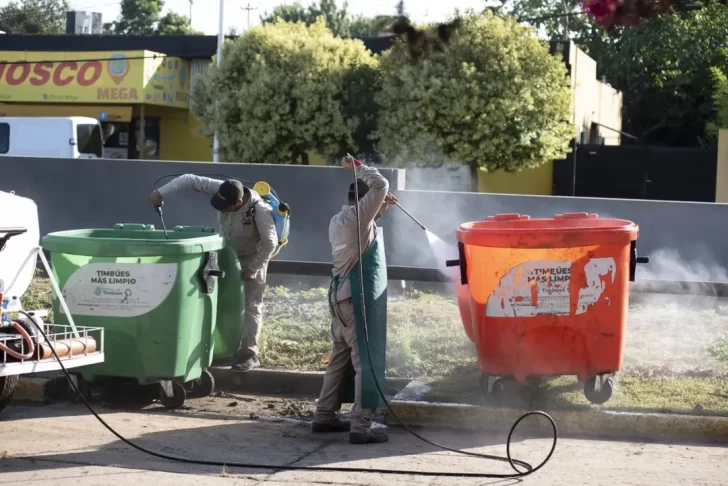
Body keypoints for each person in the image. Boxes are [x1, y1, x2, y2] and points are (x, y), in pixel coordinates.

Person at [148, 175, 278, 373]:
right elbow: (190, 179)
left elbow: (270, 243)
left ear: (238, 202)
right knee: (218, 300)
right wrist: (161, 193)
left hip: (251, 259)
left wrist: (253, 267)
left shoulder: (259, 210)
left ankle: (249, 353)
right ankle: (220, 348)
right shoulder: (226, 189)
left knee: (251, 307)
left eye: (225, 207)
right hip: (225, 253)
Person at [311, 155, 397, 445]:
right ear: (363, 201)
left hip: (337, 297)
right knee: (365, 362)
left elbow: (364, 227)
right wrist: (359, 168)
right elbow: (381, 183)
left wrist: (381, 207)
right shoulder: (357, 218)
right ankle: (361, 426)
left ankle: (324, 415)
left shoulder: (339, 220)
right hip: (353, 298)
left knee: (339, 358)